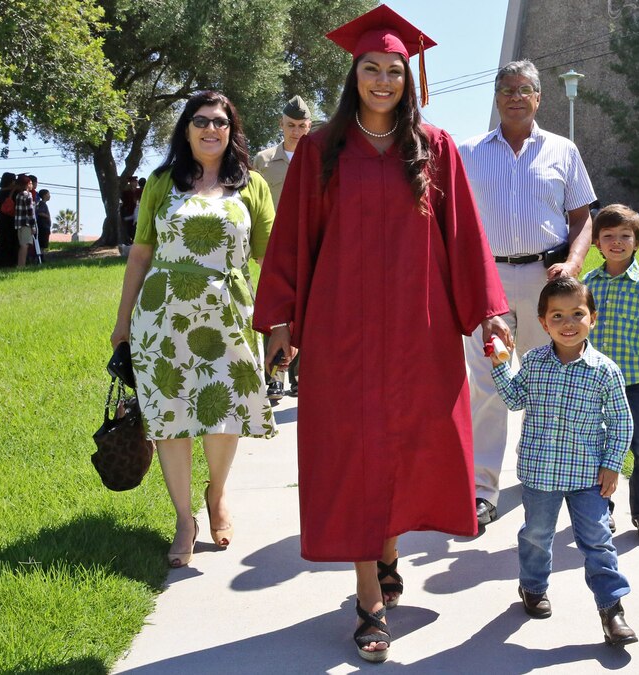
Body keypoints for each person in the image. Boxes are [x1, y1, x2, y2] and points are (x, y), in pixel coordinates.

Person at [253, 6, 509, 663]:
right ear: (353, 74)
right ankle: (370, 599)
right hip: (343, 334)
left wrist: (489, 315)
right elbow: (291, 242)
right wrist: (281, 320)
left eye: (395, 70)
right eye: (371, 68)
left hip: (418, 333)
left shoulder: (437, 148)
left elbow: (465, 239)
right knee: (357, 454)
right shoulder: (319, 151)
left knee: (408, 447)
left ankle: (390, 554)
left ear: (408, 79)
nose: (383, 80)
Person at [110, 90, 277, 569]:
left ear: (232, 130)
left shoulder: (252, 185)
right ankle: (184, 518)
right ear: (186, 129)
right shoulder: (163, 182)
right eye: (201, 121)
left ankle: (217, 492)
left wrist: (288, 310)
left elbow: (271, 254)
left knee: (225, 413)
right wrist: (122, 322)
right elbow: (141, 253)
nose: (211, 129)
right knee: (172, 415)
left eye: (220, 122)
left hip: (230, 313)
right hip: (163, 317)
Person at [459, 59, 596, 527]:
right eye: (507, 89)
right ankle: (482, 490)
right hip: (489, 286)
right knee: (488, 386)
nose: (516, 96)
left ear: (539, 98)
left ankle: (555, 476)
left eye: (525, 89)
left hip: (547, 287)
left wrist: (574, 264)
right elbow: (451, 222)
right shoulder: (468, 153)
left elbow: (583, 219)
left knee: (555, 383)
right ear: (496, 97)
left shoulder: (563, 150)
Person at [490, 276, 636, 645]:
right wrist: (499, 364)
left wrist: (612, 464)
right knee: (537, 536)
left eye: (577, 314)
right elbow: (514, 399)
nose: (568, 324)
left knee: (597, 541)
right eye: (557, 316)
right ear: (543, 323)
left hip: (588, 475)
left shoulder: (605, 370)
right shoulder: (536, 362)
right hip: (541, 475)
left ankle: (611, 608)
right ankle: (533, 588)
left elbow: (622, 421)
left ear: (593, 318)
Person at [583, 205, 639, 541]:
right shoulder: (588, 284)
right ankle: (600, 511)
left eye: (625, 236)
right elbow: (576, 330)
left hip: (636, 382)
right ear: (597, 243)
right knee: (598, 447)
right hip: (596, 383)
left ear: (638, 241)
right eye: (608, 236)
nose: (617, 242)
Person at [253, 95, 312, 401]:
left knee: (303, 308)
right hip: (273, 248)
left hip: (307, 247)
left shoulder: (318, 158)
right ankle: (274, 376)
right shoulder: (262, 161)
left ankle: (300, 375)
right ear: (281, 124)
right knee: (274, 308)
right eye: (291, 125)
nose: (297, 131)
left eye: (302, 125)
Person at [0, 172, 18, 267]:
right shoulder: (14, 192)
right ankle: (11, 261)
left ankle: (0, 262)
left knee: (1, 240)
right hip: (10, 218)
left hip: (0, 217)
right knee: (12, 239)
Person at [12, 174, 37, 268]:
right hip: (26, 223)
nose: (31, 185)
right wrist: (33, 226)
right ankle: (21, 265)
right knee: (25, 245)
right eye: (30, 183)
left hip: (18, 224)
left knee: (22, 244)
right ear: (27, 184)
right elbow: (30, 212)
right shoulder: (28, 195)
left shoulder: (18, 195)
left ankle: (20, 264)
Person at [35, 189, 52, 255]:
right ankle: (41, 256)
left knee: (43, 243)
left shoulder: (43, 204)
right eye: (48, 194)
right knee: (42, 243)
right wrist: (47, 216)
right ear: (44, 195)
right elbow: (39, 212)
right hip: (43, 227)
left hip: (45, 226)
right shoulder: (42, 204)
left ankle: (42, 255)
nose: (49, 196)